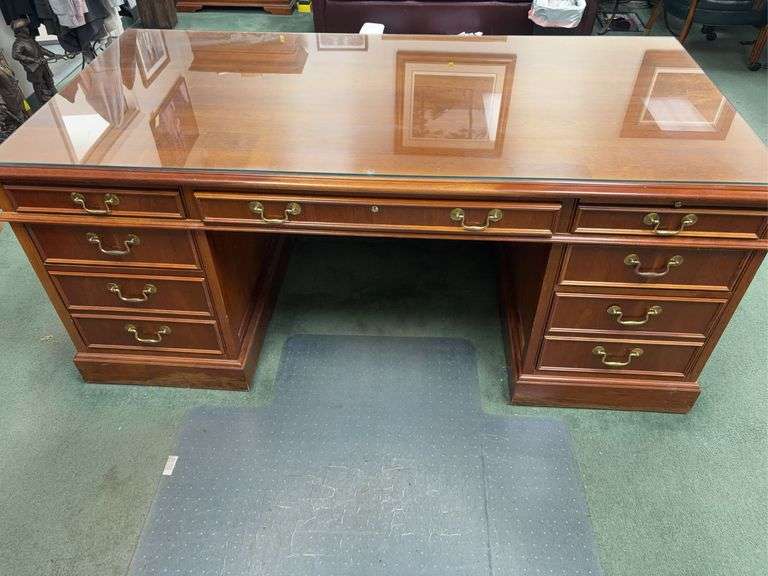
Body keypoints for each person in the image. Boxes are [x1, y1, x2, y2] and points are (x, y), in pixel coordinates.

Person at [11, 18, 57, 104]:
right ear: (21, 30)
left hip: (43, 65)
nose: (28, 29)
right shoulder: (18, 43)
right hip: (34, 70)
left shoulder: (30, 39)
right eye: (26, 28)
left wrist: (53, 55)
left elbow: (40, 49)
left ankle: (56, 98)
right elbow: (15, 55)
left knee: (50, 82)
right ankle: (48, 105)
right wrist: (34, 60)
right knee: (41, 88)